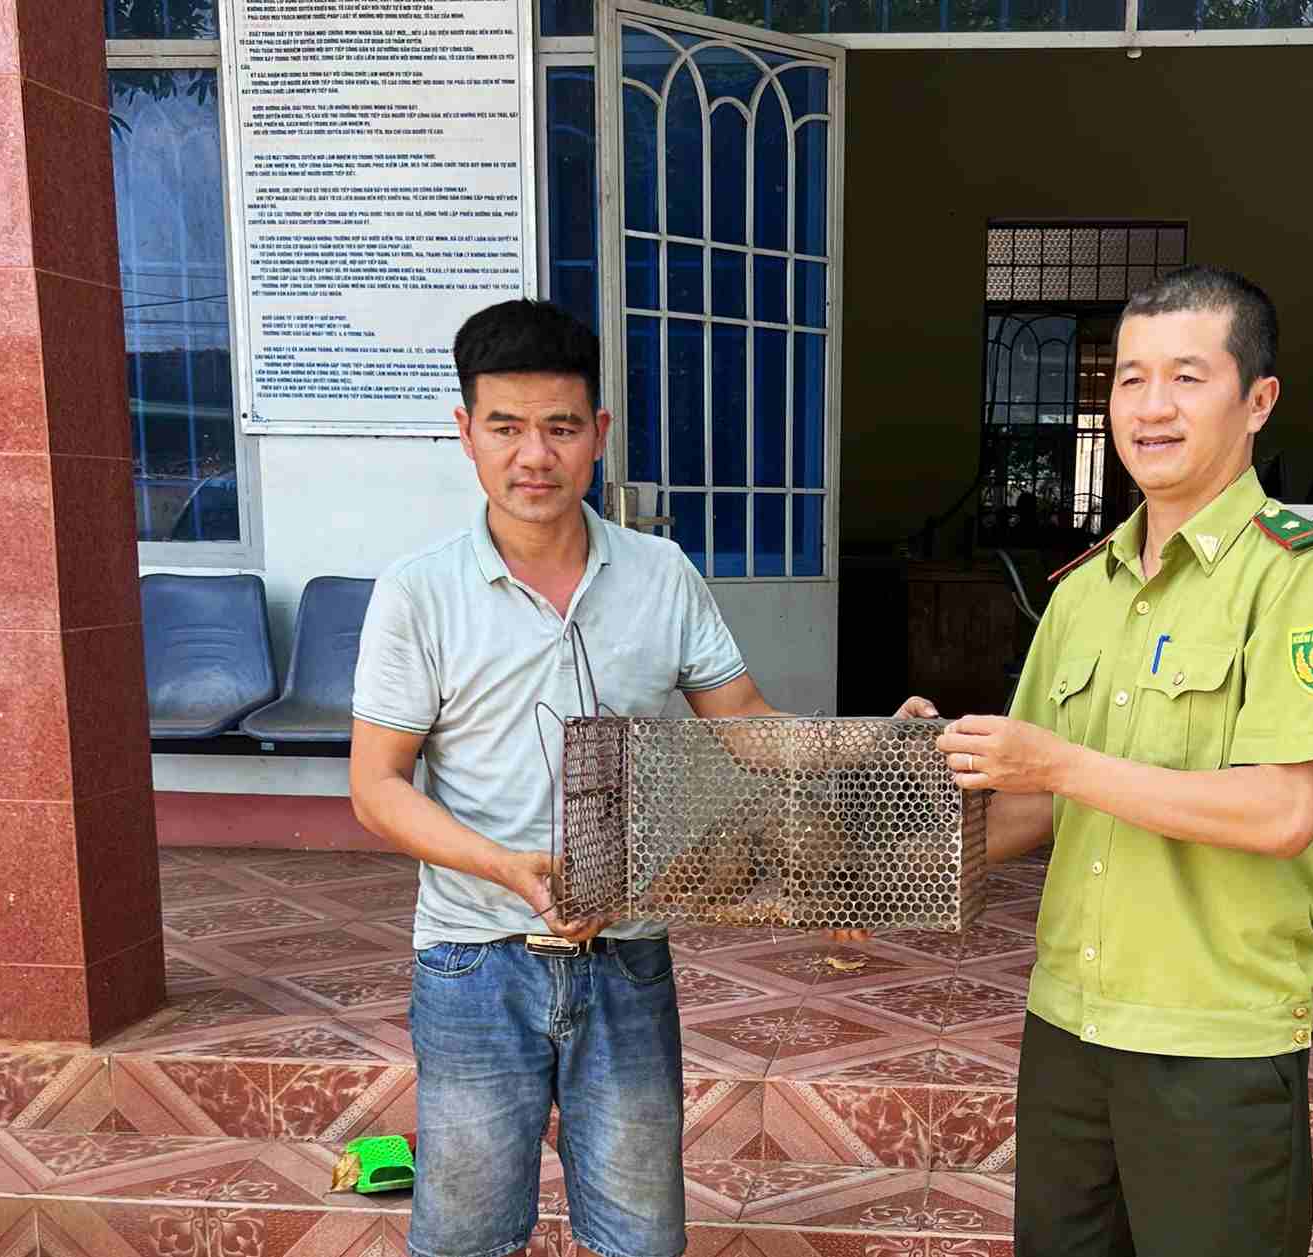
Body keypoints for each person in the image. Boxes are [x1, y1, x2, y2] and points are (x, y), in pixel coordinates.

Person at [349, 298, 928, 1257]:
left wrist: (877, 743)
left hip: (627, 951)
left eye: (560, 427)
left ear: (599, 433)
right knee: (464, 1236)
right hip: (472, 957)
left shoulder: (661, 572)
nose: (534, 455)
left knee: (640, 1236)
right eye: (505, 427)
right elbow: (377, 786)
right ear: (466, 432)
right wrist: (507, 868)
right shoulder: (419, 592)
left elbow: (745, 727)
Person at [936, 266, 1313, 1257]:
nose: (1149, 408)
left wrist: (1059, 765)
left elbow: (1280, 813)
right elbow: (1031, 807)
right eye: (1129, 379)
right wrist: (901, 811)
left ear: (1256, 400)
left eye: (1186, 377)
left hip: (1211, 1043)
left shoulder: (1304, 583)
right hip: (1067, 1028)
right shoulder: (1082, 593)